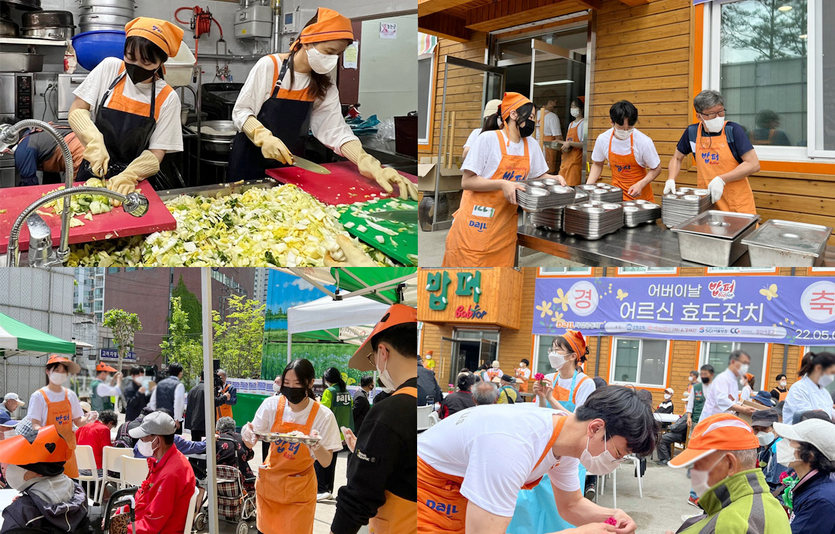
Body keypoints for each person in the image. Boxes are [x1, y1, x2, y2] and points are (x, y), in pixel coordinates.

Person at [229, 7, 415, 200]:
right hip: (249, 162)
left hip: (290, 166)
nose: (332, 59)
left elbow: (334, 129)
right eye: (329, 51)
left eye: (338, 54)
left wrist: (366, 160)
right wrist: (262, 137)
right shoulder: (270, 66)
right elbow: (242, 111)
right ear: (307, 42)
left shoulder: (324, 83)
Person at [418, 386, 656, 533]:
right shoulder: (512, 444)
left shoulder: (568, 437)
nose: (614, 463)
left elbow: (570, 505)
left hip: (456, 494)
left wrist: (612, 516)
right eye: (617, 453)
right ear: (595, 428)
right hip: (423, 489)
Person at [441, 91, 566, 267]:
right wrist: (502, 183)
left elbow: (539, 176)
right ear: (513, 114)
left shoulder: (531, 145)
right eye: (529, 117)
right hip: (476, 225)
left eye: (534, 118)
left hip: (504, 227)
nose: (533, 122)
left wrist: (554, 178)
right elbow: (467, 181)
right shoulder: (488, 139)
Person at [68, 17, 184, 192]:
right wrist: (93, 141)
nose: (136, 66)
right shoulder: (110, 69)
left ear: (160, 62)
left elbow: (156, 153)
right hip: (93, 173)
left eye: (146, 62)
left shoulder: (167, 97)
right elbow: (78, 109)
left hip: (134, 183)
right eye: (130, 57)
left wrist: (129, 176)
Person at [331, 303, 418, 534]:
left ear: (383, 352)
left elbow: (359, 495)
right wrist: (364, 448)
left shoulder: (389, 410)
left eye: (372, 358)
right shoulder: (428, 395)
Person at [242, 358, 342, 534]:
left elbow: (326, 462)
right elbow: (251, 440)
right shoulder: (271, 405)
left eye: (297, 383)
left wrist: (315, 445)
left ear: (311, 383)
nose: (291, 388)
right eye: (287, 383)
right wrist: (247, 433)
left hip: (299, 493)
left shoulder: (323, 416)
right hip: (270, 488)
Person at [667, 413, 790, 533]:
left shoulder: (727, 524)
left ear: (730, 464)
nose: (694, 472)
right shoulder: (774, 507)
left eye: (700, 464)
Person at [665, 89, 760, 213]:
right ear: (699, 116)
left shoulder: (733, 131)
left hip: (736, 204)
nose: (718, 117)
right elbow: (677, 158)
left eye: (720, 112)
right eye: (711, 114)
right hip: (707, 201)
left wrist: (722, 179)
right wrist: (671, 178)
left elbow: (753, 165)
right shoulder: (692, 133)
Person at [0, 422, 90, 533]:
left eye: (13, 463)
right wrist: (31, 500)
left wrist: (25, 505)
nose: (5, 468)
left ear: (37, 472)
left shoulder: (20, 512)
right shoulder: (77, 491)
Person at [123, 411, 197, 533]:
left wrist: (122, 528)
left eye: (142, 438)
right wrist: (121, 513)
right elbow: (143, 497)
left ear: (157, 440)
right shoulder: (163, 461)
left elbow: (152, 524)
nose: (140, 442)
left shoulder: (171, 473)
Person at [28, 354, 94, 479]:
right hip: (48, 450)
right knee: (49, 487)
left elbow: (78, 421)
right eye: (56, 370)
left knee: (68, 487)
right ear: (48, 371)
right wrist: (47, 433)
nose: (60, 374)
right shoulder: (39, 396)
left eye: (63, 371)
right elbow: (35, 424)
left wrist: (88, 419)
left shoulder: (70, 395)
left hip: (67, 451)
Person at [587, 100, 662, 202]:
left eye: (630, 128)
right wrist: (587, 188)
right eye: (621, 128)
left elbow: (657, 168)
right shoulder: (603, 139)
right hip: (617, 198)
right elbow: (597, 164)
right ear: (612, 122)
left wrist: (641, 183)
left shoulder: (643, 141)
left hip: (641, 200)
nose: (626, 131)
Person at [772, 418, 835, 533]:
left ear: (810, 455)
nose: (783, 443)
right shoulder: (813, 484)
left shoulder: (820, 500)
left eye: (790, 440)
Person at [317, 367, 354, 501]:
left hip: (329, 431)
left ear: (326, 379)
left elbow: (324, 411)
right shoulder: (346, 392)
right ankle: (328, 489)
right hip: (342, 432)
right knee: (332, 461)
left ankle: (320, 490)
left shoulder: (329, 391)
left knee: (321, 461)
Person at [12, 122, 84, 186]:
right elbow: (51, 178)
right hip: (89, 146)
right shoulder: (41, 132)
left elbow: (29, 184)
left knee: (80, 193)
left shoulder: (23, 148)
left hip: (80, 154)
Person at [699, 350, 757, 420]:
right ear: (733, 362)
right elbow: (722, 400)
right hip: (710, 421)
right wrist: (743, 410)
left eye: (747, 364)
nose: (746, 367)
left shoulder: (733, 381)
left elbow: (731, 401)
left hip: (721, 421)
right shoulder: (723, 378)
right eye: (744, 363)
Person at [783, 352, 835, 424]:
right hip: (798, 433)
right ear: (818, 368)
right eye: (831, 372)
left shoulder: (824, 392)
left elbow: (831, 413)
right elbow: (809, 417)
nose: (832, 377)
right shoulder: (798, 389)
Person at [750, 408, 786, 492]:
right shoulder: (761, 448)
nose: (760, 434)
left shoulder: (779, 449)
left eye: (764, 429)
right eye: (756, 430)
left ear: (775, 428)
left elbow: (775, 487)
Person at [216, 416, 255, 493]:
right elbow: (250, 455)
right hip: (243, 483)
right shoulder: (242, 438)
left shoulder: (216, 439)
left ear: (218, 429)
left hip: (219, 482)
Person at [149, 362, 186, 433]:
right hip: (171, 420)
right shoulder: (179, 385)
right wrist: (177, 419)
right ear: (180, 372)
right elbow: (178, 404)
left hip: (158, 418)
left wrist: (155, 414)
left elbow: (152, 402)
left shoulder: (160, 384)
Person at [557, 96, 586, 186]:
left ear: (581, 109)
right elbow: (567, 142)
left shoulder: (583, 123)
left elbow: (584, 144)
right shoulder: (571, 124)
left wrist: (569, 143)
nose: (572, 109)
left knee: (572, 185)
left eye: (574, 106)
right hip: (566, 160)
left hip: (576, 161)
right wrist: (561, 143)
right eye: (571, 107)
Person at [535, 99, 563, 174]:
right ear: (550, 102)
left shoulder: (534, 115)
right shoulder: (552, 116)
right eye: (555, 102)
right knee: (547, 172)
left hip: (535, 146)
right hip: (547, 148)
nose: (555, 105)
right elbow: (558, 137)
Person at [686, 364, 714, 432]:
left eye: (705, 374)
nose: (703, 376)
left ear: (711, 374)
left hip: (711, 421)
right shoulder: (696, 387)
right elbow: (690, 404)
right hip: (696, 419)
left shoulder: (716, 387)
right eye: (702, 374)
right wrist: (689, 417)